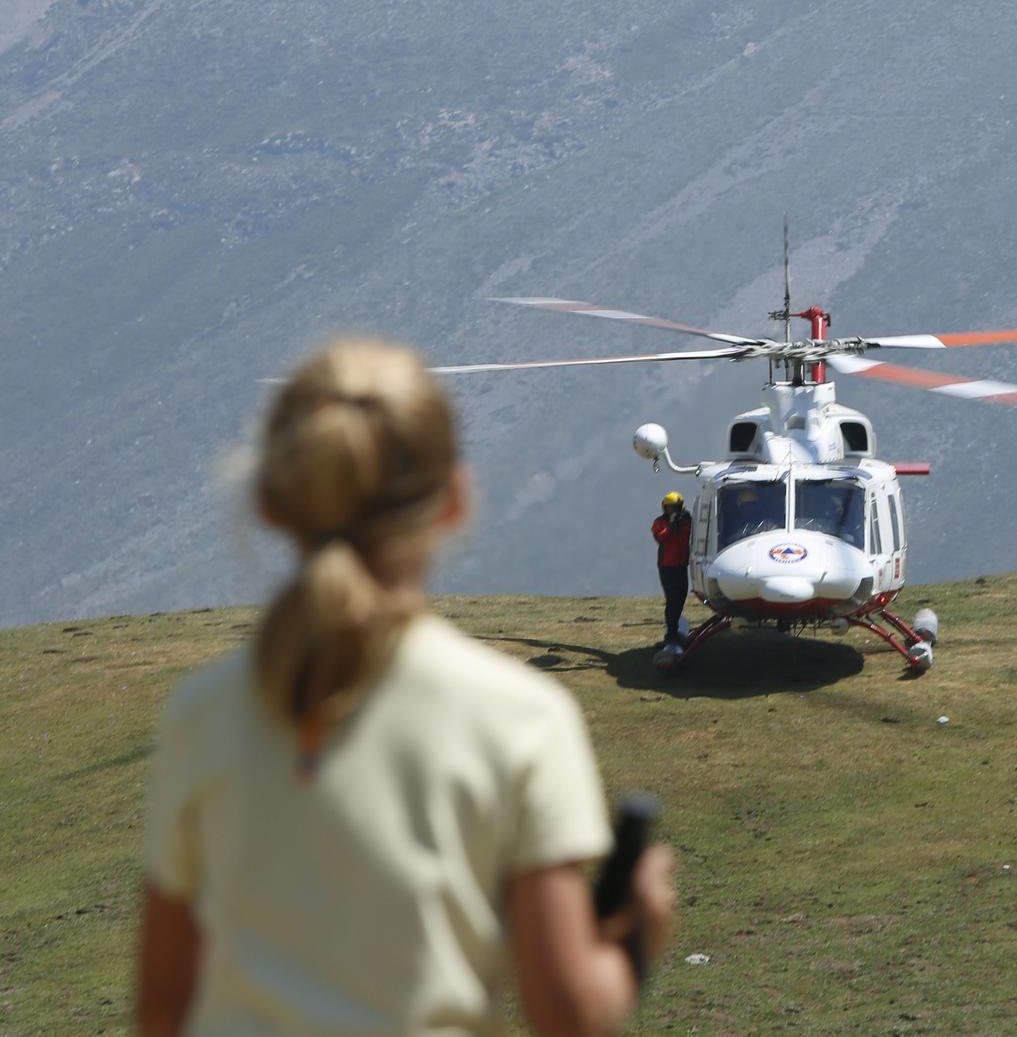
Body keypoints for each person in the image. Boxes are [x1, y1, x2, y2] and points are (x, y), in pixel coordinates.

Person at [136, 339, 675, 1037]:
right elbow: (567, 1011)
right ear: (455, 500)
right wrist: (638, 935)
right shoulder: (521, 718)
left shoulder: (200, 716)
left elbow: (160, 1008)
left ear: (270, 501)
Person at [652, 492, 694, 657]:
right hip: (667, 566)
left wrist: (683, 521)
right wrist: (671, 525)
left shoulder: (685, 522)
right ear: (665, 508)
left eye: (675, 507)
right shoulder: (659, 522)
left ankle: (675, 629)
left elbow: (691, 533)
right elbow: (660, 537)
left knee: (682, 595)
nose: (672, 510)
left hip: (681, 565)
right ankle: (671, 633)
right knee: (672, 599)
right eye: (670, 507)